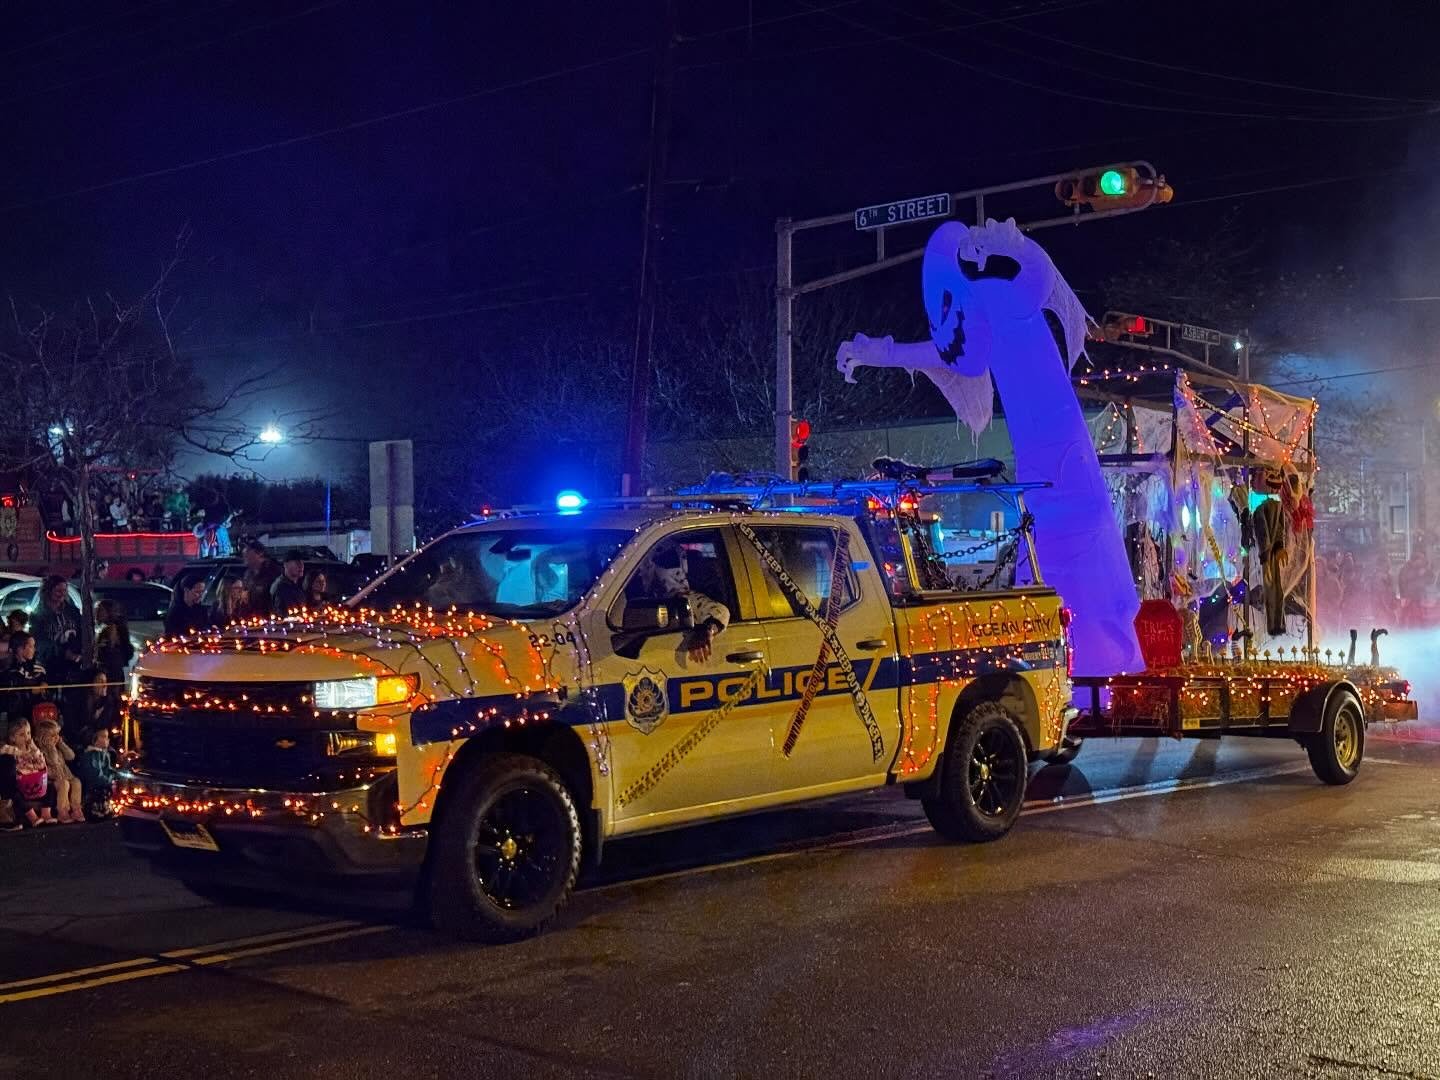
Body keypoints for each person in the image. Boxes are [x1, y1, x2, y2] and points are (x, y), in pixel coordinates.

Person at [636, 541, 730, 662]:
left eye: (670, 560)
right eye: (666, 561)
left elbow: (720, 612)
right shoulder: (642, 598)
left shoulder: (684, 597)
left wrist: (706, 631)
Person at [0, 718, 56, 828]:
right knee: (16, 795)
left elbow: (41, 764)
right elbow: (2, 749)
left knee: (51, 788)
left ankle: (46, 815)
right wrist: (20, 753)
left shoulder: (32, 751)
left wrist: (34, 749)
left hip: (36, 783)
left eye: (28, 733)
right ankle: (33, 817)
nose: (27, 737)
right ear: (12, 738)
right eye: (22, 734)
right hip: (23, 785)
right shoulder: (11, 751)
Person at [29, 574, 81, 678]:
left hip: (73, 664)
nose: (62, 594)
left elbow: (81, 631)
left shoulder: (72, 612)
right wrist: (63, 653)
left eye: (64, 590)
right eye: (58, 591)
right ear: (49, 591)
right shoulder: (38, 615)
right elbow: (40, 642)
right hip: (50, 664)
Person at [33, 715, 81, 823]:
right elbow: (53, 762)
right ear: (43, 737)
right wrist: (51, 748)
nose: (56, 737)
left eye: (57, 735)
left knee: (76, 782)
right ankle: (62, 811)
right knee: (64, 784)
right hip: (52, 779)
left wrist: (61, 744)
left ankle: (76, 808)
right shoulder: (41, 751)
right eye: (52, 735)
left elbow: (71, 756)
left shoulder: (59, 747)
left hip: (64, 775)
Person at [74, 725, 117, 821]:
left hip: (104, 782)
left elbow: (109, 770)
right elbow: (95, 776)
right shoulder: (91, 756)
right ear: (95, 740)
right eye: (104, 737)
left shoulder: (104, 754)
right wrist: (110, 779)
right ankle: (96, 810)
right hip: (93, 787)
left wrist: (115, 776)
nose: (108, 739)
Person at [4, 632, 48, 722]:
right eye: (31, 646)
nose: (34, 650)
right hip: (18, 721)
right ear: (20, 649)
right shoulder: (9, 673)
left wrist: (43, 685)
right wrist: (34, 689)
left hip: (38, 718)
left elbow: (46, 688)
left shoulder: (39, 669)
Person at [242, 540, 280, 616]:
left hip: (270, 619)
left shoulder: (274, 572)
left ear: (260, 553)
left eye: (248, 550)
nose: (244, 552)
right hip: (251, 619)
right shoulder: (248, 574)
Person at [270, 549, 308, 616]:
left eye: (302, 562)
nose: (301, 566)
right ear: (286, 564)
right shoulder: (281, 587)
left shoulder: (297, 585)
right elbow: (283, 615)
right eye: (297, 562)